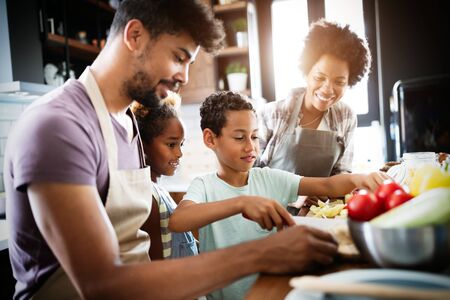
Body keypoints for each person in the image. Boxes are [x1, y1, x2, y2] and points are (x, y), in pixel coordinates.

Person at [5, 1, 340, 299]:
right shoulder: (59, 127)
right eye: (179, 57)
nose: (184, 76)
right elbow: (102, 284)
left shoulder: (126, 123)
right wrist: (263, 254)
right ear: (134, 36)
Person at [169, 91, 388, 299]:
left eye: (254, 137)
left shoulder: (269, 178)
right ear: (210, 139)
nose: (250, 147)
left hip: (273, 292)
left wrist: (359, 178)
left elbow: (327, 185)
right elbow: (179, 220)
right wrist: (241, 202)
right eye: (239, 138)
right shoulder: (204, 185)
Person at [257, 18, 372, 215]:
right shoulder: (272, 114)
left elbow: (342, 173)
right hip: (267, 216)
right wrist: (300, 193)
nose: (328, 89)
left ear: (350, 81)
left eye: (339, 81)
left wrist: (326, 197)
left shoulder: (345, 117)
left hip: (315, 218)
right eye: (320, 78)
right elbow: (250, 178)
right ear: (307, 71)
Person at [132, 98, 198, 260]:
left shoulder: (159, 192)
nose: (179, 153)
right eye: (171, 144)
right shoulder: (149, 199)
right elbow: (157, 267)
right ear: (143, 144)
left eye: (181, 144)